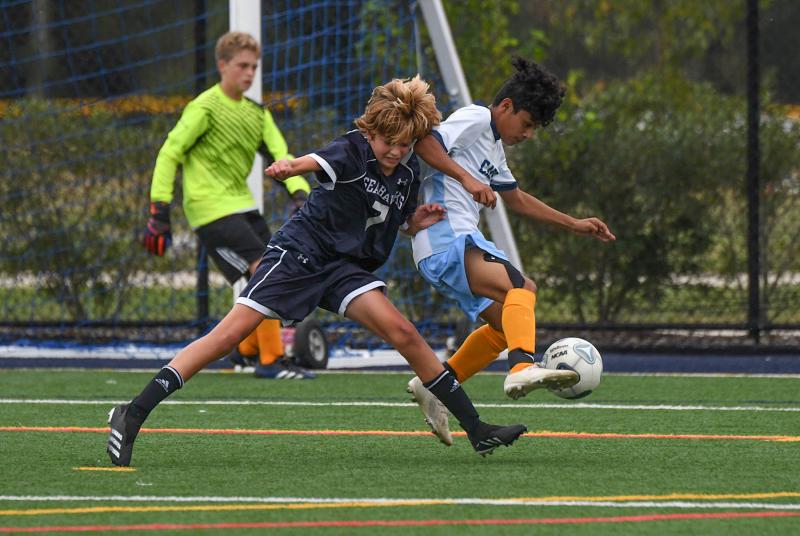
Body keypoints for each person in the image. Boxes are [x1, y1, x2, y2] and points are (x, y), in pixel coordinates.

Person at [107, 75, 528, 467]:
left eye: (405, 144)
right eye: (388, 141)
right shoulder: (353, 149)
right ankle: (133, 412)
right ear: (370, 131)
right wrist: (290, 167)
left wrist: (415, 222)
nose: (395, 151)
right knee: (228, 336)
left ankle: (477, 430)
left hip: (344, 269)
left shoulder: (406, 174)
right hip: (300, 255)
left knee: (404, 333)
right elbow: (314, 161)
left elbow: (393, 220)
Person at [406, 57, 616, 446]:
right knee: (523, 288)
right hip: (445, 238)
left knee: (506, 324)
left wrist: (574, 223)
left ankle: (435, 384)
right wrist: (467, 180)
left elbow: (515, 199)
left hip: (446, 246)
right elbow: (425, 144)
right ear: (505, 107)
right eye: (528, 123)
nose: (530, 134)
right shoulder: (474, 118)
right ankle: (521, 366)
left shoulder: (495, 148)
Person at [142, 31, 314, 380]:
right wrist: (159, 209)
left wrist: (300, 195)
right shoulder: (204, 107)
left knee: (279, 267)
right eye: (242, 66)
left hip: (242, 205)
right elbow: (169, 152)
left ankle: (247, 349)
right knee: (262, 269)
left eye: (254, 67)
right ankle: (272, 361)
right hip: (209, 209)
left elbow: (282, 156)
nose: (249, 74)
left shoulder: (256, 114)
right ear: (223, 65)